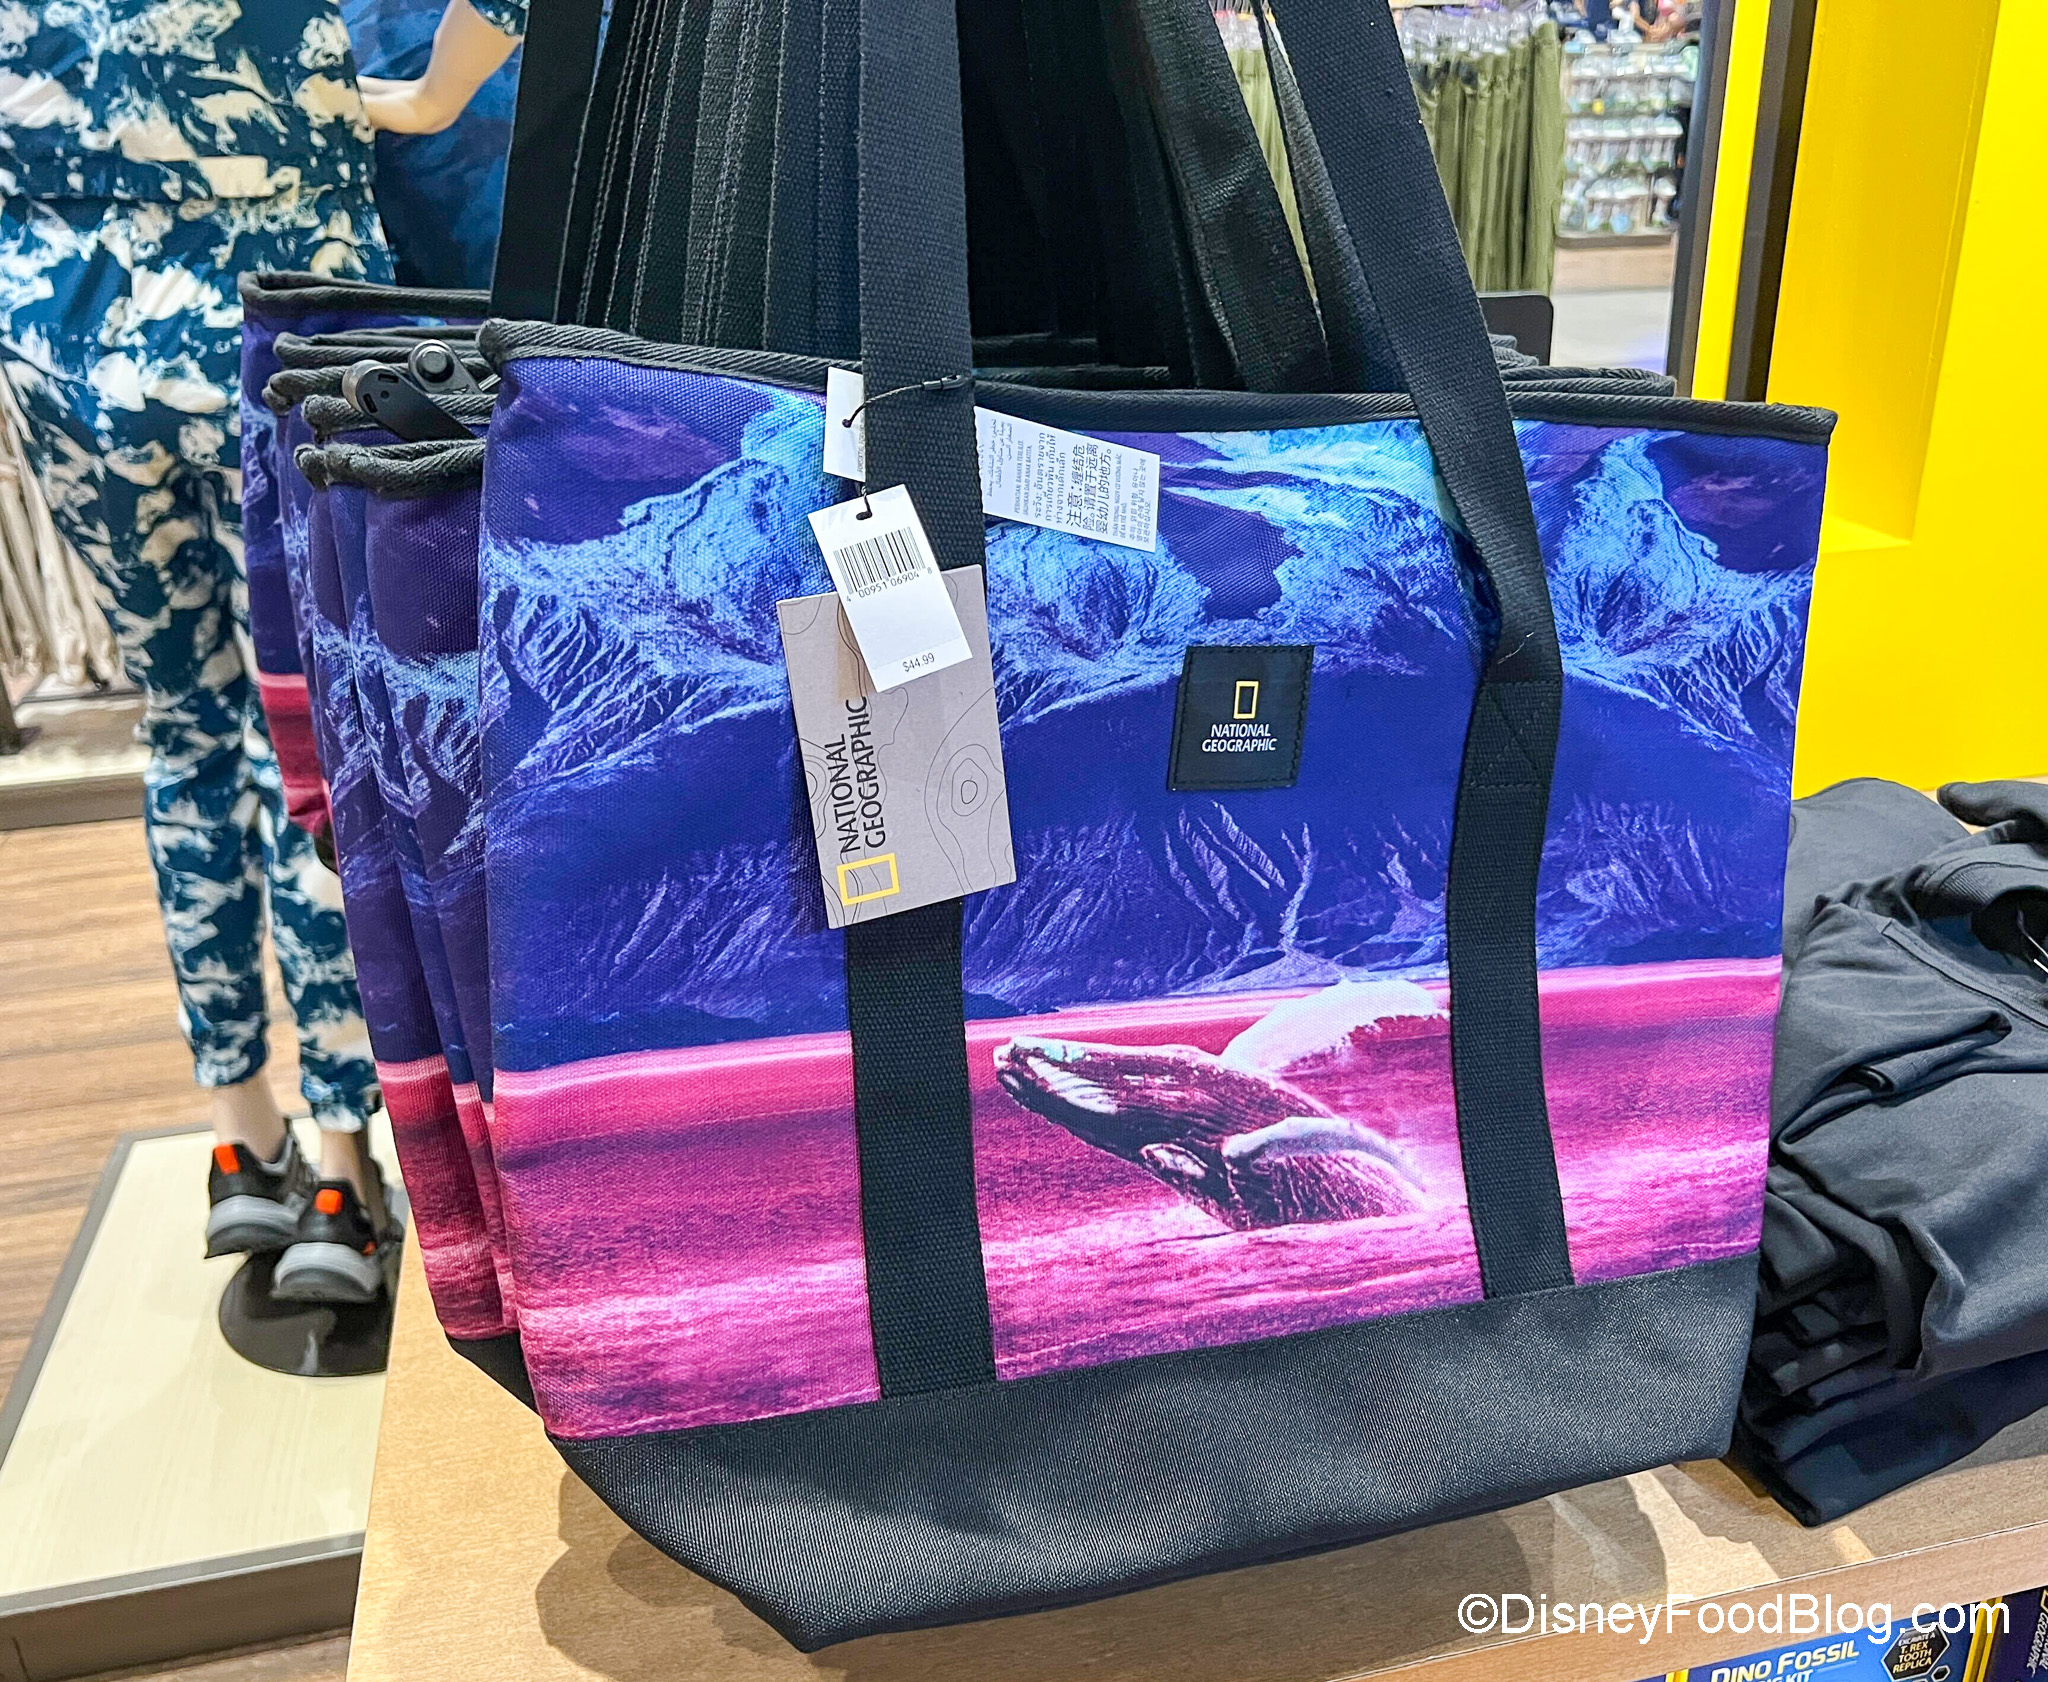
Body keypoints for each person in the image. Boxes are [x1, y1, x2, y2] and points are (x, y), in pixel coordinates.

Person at [0, 0, 399, 1300]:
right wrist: (423, 101)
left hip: (62, 323)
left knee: (183, 727)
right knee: (307, 734)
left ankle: (239, 1138)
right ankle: (340, 1164)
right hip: (283, 294)